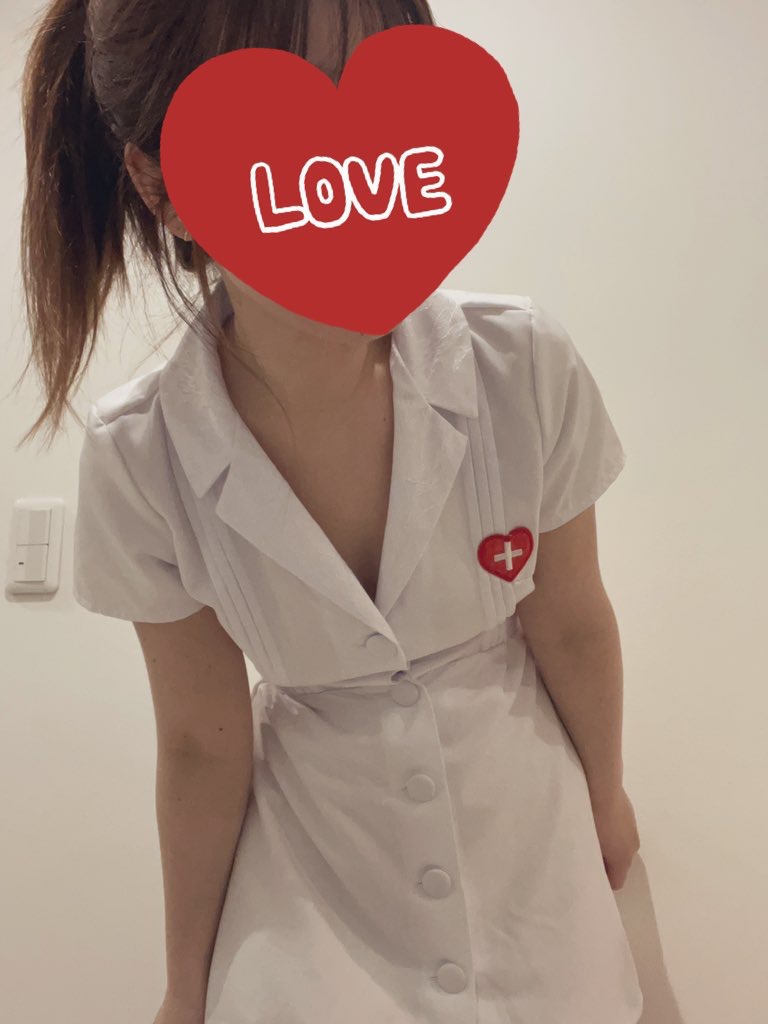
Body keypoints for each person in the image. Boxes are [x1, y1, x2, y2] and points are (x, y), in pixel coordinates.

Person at [17, 1, 644, 1023]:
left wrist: (606, 802)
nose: (349, 178)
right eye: (282, 139)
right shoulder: (140, 458)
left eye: (378, 117)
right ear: (161, 185)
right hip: (313, 904)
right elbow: (201, 742)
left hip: (538, 873)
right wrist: (187, 986)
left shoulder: (522, 366)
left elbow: (572, 622)